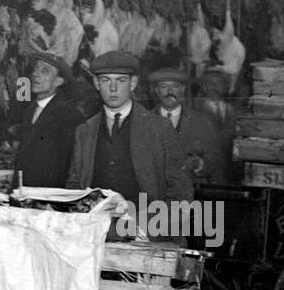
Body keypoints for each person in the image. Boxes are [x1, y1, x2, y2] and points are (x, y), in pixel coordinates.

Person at [67, 52, 193, 232]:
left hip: (148, 234)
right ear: (96, 84)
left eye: (120, 81)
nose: (112, 88)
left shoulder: (159, 128)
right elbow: (74, 187)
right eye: (105, 80)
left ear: (133, 83)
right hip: (96, 234)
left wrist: (149, 226)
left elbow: (181, 193)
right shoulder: (84, 131)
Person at [13, 52, 84, 188]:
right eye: (36, 69)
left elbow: (68, 166)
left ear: (59, 81)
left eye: (45, 71)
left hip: (48, 199)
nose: (35, 74)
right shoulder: (31, 109)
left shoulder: (69, 116)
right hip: (25, 195)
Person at [149, 67, 230, 185]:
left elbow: (216, 159)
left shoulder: (202, 122)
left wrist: (200, 164)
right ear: (156, 91)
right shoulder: (144, 122)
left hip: (193, 195)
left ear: (183, 89)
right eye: (164, 86)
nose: (169, 91)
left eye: (175, 86)